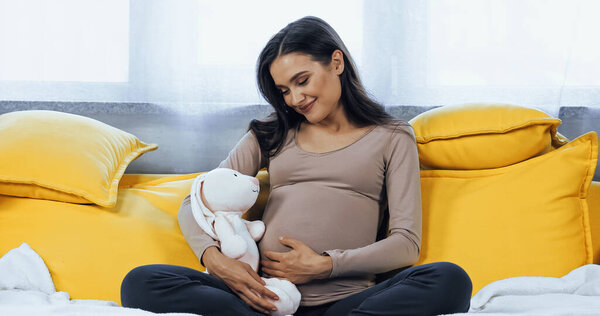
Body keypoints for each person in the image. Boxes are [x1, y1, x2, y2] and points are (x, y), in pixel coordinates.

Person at [120, 16, 472, 316]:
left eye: (302, 81)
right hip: (263, 298)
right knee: (141, 282)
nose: (295, 98)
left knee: (450, 280)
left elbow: (406, 244)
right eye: (284, 90)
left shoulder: (392, 136)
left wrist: (326, 264)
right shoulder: (271, 133)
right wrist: (217, 262)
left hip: (347, 302)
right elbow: (194, 203)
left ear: (336, 62)